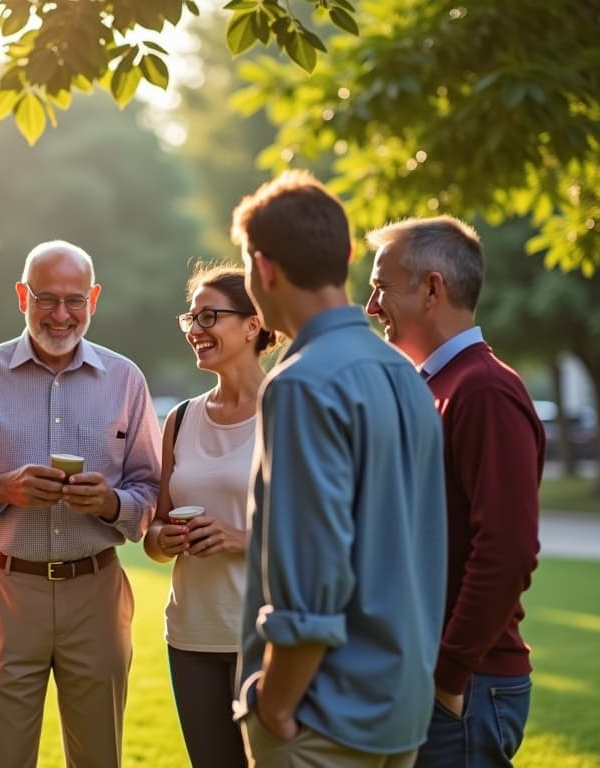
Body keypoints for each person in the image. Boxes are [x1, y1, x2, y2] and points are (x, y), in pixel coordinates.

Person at [228, 170, 447, 768]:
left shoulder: (300, 384)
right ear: (346, 256)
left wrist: (273, 705)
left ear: (264, 269)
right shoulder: (405, 373)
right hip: (399, 709)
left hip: (319, 717)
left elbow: (312, 574)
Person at [0, 239, 162, 768]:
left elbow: (151, 492)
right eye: (45, 298)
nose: (60, 314)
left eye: (73, 300)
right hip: (5, 591)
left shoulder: (126, 380)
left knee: (100, 757)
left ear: (93, 299)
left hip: (97, 592)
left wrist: (109, 503)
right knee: (4, 758)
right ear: (21, 296)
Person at [365, 216, 543, 768]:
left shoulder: (483, 390)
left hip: (467, 687)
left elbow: (507, 549)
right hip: (428, 677)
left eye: (380, 286)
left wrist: (447, 674)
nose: (371, 306)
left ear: (432, 288)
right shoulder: (435, 386)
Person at [144, 265, 275, 768]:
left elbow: (320, 536)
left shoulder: (288, 408)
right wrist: (165, 539)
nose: (196, 330)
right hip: (191, 633)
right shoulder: (180, 419)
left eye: (209, 316)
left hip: (265, 636)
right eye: (191, 318)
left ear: (253, 323)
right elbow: (154, 532)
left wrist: (238, 538)